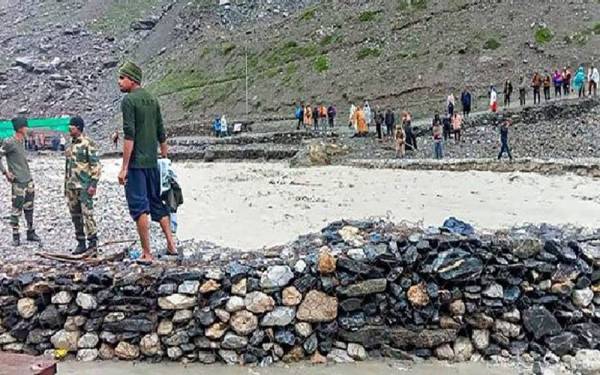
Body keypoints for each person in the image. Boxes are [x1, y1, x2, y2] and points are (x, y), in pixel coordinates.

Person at [117, 61, 177, 262]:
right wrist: (165, 159)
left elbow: (129, 136)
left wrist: (124, 167)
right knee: (156, 202)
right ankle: (171, 244)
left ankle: (147, 253)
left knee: (139, 206)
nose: (119, 82)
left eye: (122, 78)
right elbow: (162, 132)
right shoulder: (152, 99)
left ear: (132, 80)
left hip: (137, 164)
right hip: (153, 162)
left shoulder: (129, 101)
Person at [0, 117, 41, 246]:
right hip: (18, 182)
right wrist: (6, 173)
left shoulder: (22, 140)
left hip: (28, 179)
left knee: (29, 207)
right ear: (21, 128)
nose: (28, 129)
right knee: (16, 208)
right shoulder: (9, 142)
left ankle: (30, 232)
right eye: (26, 127)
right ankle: (16, 236)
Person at [64, 116, 101, 255]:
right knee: (75, 215)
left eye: (71, 126)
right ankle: (81, 242)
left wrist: (93, 184)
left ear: (78, 128)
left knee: (87, 215)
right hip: (71, 187)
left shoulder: (87, 143)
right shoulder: (70, 145)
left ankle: (92, 244)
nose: (69, 128)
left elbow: (95, 165)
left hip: (84, 186)